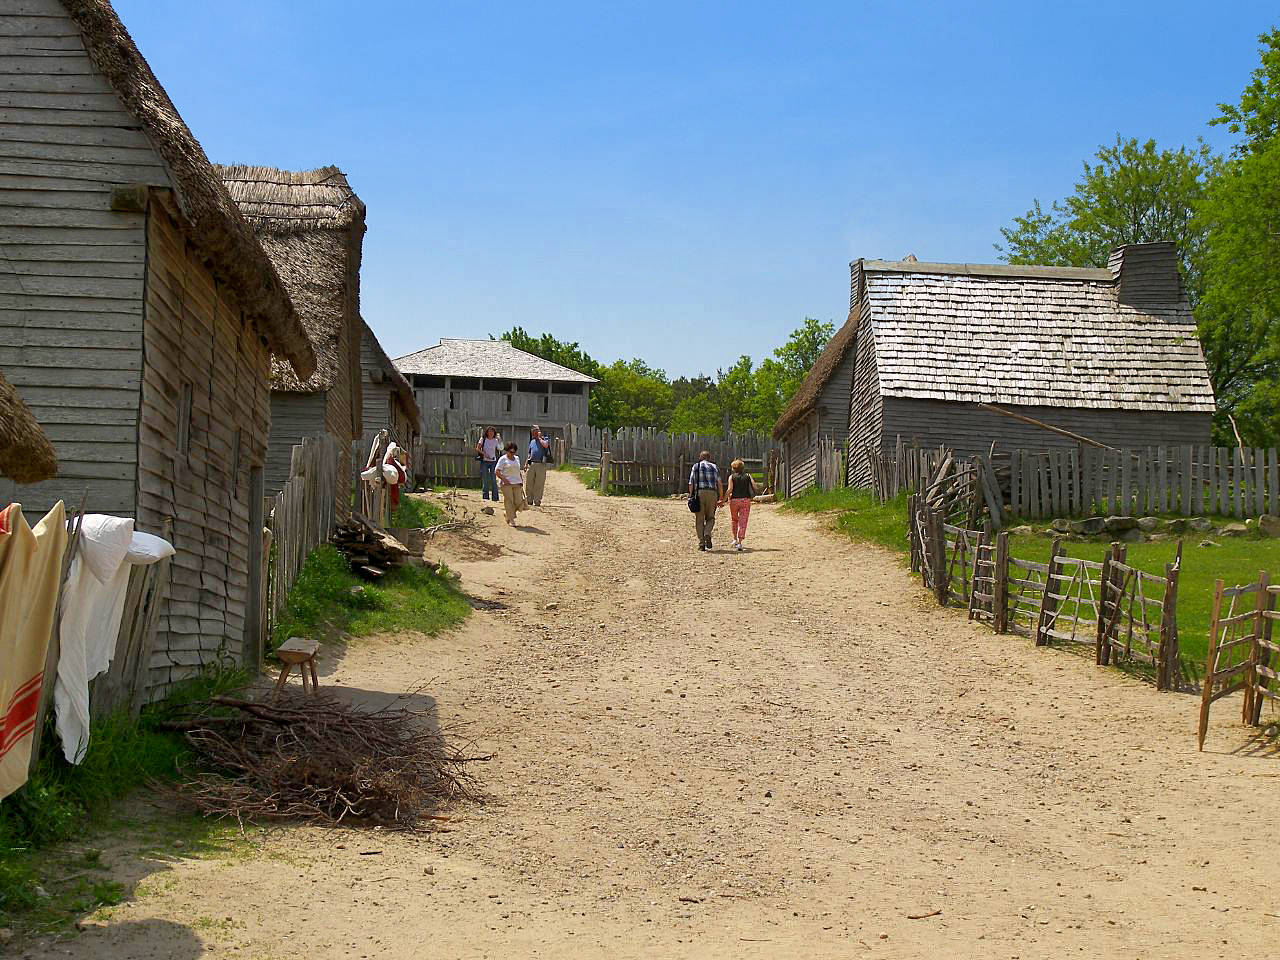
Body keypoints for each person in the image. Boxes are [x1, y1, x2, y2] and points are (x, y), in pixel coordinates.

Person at [688, 450, 723, 551]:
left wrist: (691, 495)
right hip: (712, 493)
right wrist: (721, 497)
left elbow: (691, 482)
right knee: (711, 518)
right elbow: (719, 483)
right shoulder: (714, 467)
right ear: (709, 458)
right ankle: (707, 532)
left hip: (699, 493)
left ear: (700, 457)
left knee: (699, 519)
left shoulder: (696, 466)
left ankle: (701, 543)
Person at [726, 459, 759, 551]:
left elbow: (730, 490)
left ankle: (734, 539)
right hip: (745, 500)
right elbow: (755, 486)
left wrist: (723, 500)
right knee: (743, 521)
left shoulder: (731, 477)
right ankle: (740, 542)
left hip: (734, 501)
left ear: (733, 468)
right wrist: (756, 492)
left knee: (734, 520)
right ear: (743, 467)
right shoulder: (748, 476)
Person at [494, 441, 526, 525]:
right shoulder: (503, 459)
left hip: (517, 483)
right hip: (506, 483)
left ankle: (508, 514)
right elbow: (497, 471)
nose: (512, 453)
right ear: (507, 451)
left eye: (514, 452)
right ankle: (511, 519)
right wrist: (504, 479)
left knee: (518, 502)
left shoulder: (517, 458)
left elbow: (518, 471)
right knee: (509, 501)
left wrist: (521, 481)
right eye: (511, 452)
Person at [525, 425, 553, 506]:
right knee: (529, 483)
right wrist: (526, 464)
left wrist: (540, 438)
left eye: (536, 430)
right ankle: (529, 500)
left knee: (539, 483)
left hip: (541, 464)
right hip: (532, 463)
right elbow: (529, 453)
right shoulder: (532, 441)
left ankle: (537, 500)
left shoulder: (544, 439)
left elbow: (546, 445)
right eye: (533, 431)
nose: (535, 432)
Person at [476, 426, 502, 502]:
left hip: (493, 461)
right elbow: (477, 448)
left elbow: (501, 448)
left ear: (494, 433)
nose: (490, 433)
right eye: (489, 431)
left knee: (494, 479)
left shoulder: (495, 440)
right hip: (485, 461)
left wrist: (499, 439)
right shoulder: (483, 439)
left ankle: (495, 498)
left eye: (492, 431)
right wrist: (484, 454)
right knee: (485, 479)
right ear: (486, 432)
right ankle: (485, 497)